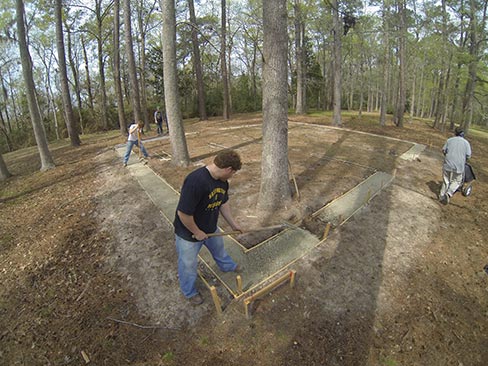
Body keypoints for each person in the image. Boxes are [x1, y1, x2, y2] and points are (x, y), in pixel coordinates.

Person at [174, 150, 243, 305]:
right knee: (188, 265)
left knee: (219, 250)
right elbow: (183, 213)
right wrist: (197, 232)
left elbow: (222, 202)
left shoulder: (222, 181)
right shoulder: (195, 181)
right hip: (188, 233)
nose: (232, 176)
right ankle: (189, 292)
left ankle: (227, 266)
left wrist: (233, 224)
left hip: (211, 228)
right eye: (233, 173)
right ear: (228, 169)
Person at [439, 126, 472, 204]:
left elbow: (444, 150)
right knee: (457, 180)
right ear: (463, 134)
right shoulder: (466, 143)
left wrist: (448, 157)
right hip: (459, 166)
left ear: (455, 133)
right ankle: (449, 193)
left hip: (447, 164)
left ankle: (441, 196)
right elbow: (468, 155)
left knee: (446, 180)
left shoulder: (449, 140)